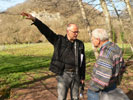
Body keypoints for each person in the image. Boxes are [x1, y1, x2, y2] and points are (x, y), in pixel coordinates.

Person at [21, 12, 86, 100]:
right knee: (61, 98)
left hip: (76, 75)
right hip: (63, 75)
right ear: (68, 31)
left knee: (75, 98)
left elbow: (83, 61)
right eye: (74, 32)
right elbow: (46, 31)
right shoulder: (58, 40)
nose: (76, 34)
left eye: (77, 32)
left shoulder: (80, 44)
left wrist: (82, 76)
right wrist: (34, 20)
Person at [87, 28, 126, 100]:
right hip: (112, 84)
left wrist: (93, 88)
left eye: (92, 39)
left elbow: (102, 76)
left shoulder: (105, 53)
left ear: (98, 40)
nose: (92, 41)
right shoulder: (116, 47)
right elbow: (123, 67)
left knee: (91, 92)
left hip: (102, 88)